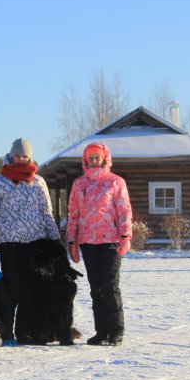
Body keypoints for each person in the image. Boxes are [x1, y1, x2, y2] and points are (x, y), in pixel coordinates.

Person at [0, 137, 60, 344]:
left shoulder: (38, 182)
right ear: (11, 155)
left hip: (35, 243)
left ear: (30, 157)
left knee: (30, 288)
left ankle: (25, 331)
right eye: (17, 155)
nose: (20, 159)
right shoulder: (0, 181)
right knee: (12, 288)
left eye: (24, 155)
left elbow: (46, 212)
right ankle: (7, 330)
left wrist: (54, 238)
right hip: (10, 243)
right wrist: (7, 226)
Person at [66, 142, 132, 346]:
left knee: (110, 286)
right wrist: (72, 241)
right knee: (96, 288)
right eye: (91, 158)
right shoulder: (79, 184)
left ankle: (116, 331)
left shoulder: (115, 182)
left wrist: (125, 236)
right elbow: (73, 213)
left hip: (110, 241)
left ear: (105, 158)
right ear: (85, 160)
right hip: (88, 242)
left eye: (97, 157)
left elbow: (124, 210)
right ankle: (101, 331)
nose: (94, 161)